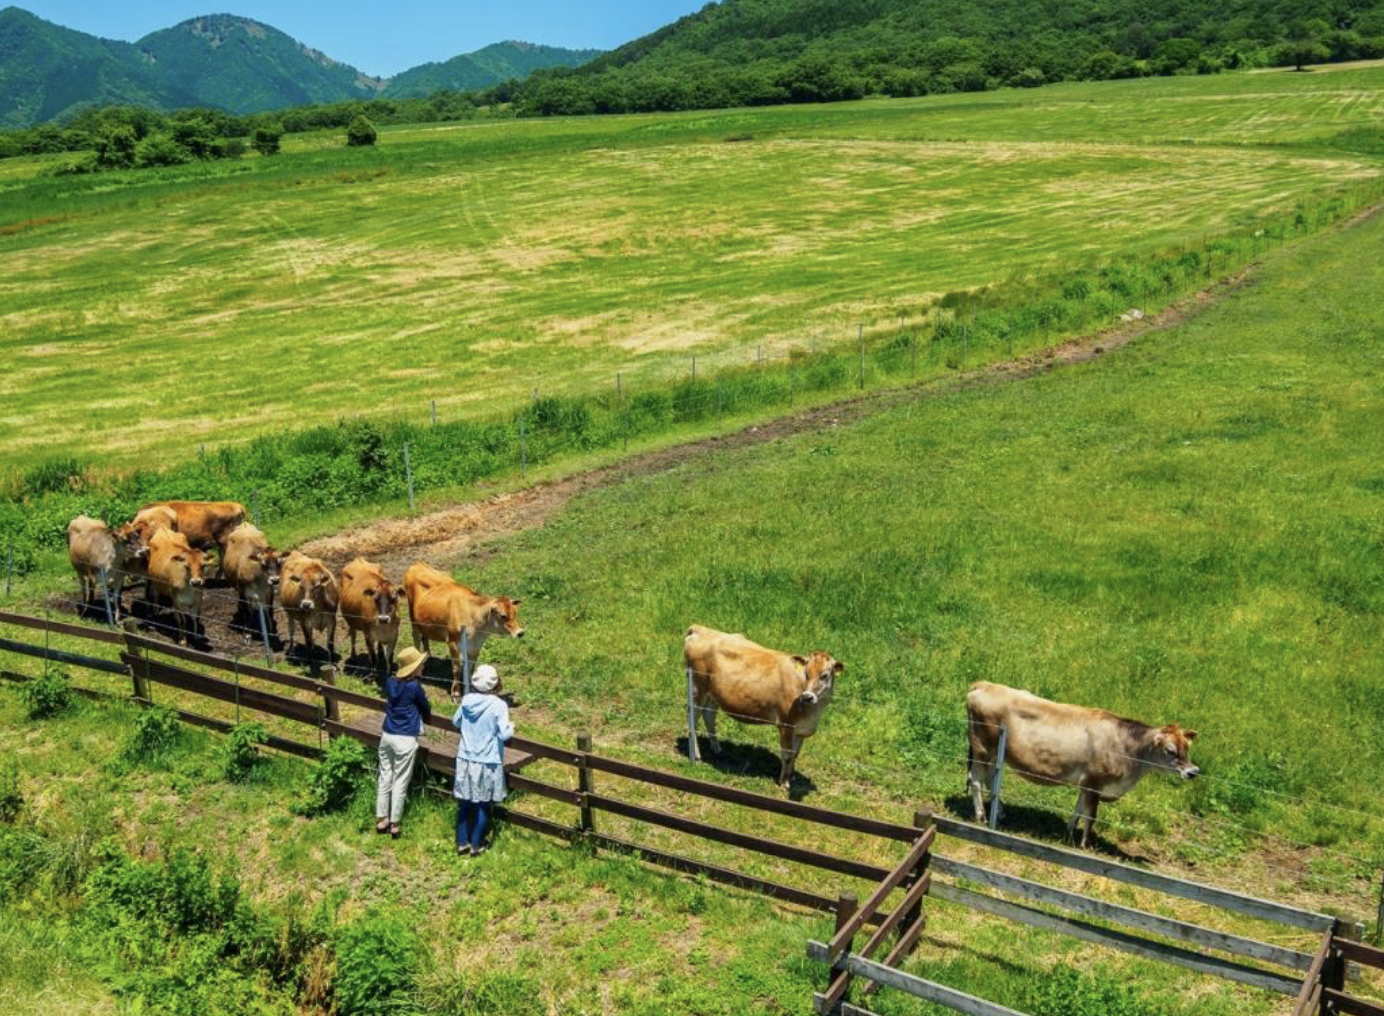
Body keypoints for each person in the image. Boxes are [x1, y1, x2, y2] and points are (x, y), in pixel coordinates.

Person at [453, 663, 513, 857]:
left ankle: (462, 841)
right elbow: (504, 734)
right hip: (488, 760)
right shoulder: (499, 705)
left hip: (465, 757)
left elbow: (456, 721)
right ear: (496, 684)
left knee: (464, 801)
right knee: (483, 804)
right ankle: (476, 844)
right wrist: (512, 726)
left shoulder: (467, 700)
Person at [376, 646, 431, 839]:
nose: (423, 668)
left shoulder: (390, 682)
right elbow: (426, 708)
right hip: (405, 737)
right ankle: (395, 822)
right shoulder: (414, 687)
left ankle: (381, 817)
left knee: (385, 776)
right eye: (421, 665)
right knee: (400, 780)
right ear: (413, 668)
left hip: (387, 733)